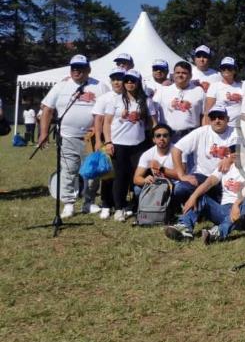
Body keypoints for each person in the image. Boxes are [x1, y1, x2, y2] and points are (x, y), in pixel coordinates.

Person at [38, 54, 108, 218]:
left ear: (88, 70)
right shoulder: (60, 86)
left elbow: (109, 108)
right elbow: (47, 109)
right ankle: (68, 203)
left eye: (81, 68)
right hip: (67, 136)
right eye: (73, 68)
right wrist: (43, 133)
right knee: (68, 171)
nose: (77, 71)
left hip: (91, 139)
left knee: (92, 172)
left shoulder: (100, 86)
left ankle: (89, 202)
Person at [103, 69, 157, 221]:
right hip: (119, 144)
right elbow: (106, 123)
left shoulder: (146, 101)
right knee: (119, 177)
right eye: (126, 80)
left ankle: (135, 205)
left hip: (138, 144)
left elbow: (154, 123)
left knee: (138, 176)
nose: (129, 83)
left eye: (132, 80)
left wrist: (156, 140)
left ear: (138, 82)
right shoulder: (115, 100)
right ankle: (119, 207)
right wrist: (108, 142)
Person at [164, 163, 245, 244]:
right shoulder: (225, 166)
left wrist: (236, 204)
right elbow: (209, 182)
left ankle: (219, 233)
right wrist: (193, 197)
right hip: (225, 210)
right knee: (200, 196)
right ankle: (184, 227)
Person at [171, 104, 240, 206]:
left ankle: (204, 204)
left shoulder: (236, 132)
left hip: (224, 177)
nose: (217, 120)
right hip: (202, 175)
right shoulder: (201, 132)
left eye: (221, 117)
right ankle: (198, 203)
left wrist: (230, 159)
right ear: (209, 119)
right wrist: (181, 175)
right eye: (213, 117)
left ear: (228, 119)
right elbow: (176, 149)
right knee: (180, 189)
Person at [93, 68, 126, 219]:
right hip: (108, 141)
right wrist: (100, 141)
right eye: (114, 79)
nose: (117, 82)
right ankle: (106, 203)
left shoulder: (129, 96)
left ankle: (120, 203)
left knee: (122, 174)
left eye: (120, 79)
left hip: (124, 141)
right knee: (107, 173)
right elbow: (98, 120)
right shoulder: (104, 98)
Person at [155, 61, 206, 142]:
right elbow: (152, 112)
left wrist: (204, 134)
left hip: (191, 135)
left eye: (184, 73)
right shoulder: (162, 91)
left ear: (190, 75)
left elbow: (204, 115)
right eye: (177, 72)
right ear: (173, 75)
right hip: (167, 136)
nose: (180, 75)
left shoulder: (199, 91)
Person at [205, 57, 245, 127]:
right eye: (223, 68)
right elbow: (207, 112)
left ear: (234, 70)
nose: (226, 70)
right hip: (221, 127)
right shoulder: (214, 86)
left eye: (229, 68)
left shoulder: (243, 85)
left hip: (240, 127)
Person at [133, 123, 180, 195]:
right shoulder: (147, 154)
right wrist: (145, 180)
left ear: (170, 137)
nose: (161, 138)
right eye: (158, 136)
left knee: (180, 189)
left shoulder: (177, 151)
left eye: (165, 135)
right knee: (137, 189)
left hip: (174, 184)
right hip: (157, 185)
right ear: (153, 139)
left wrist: (161, 169)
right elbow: (136, 178)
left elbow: (181, 176)